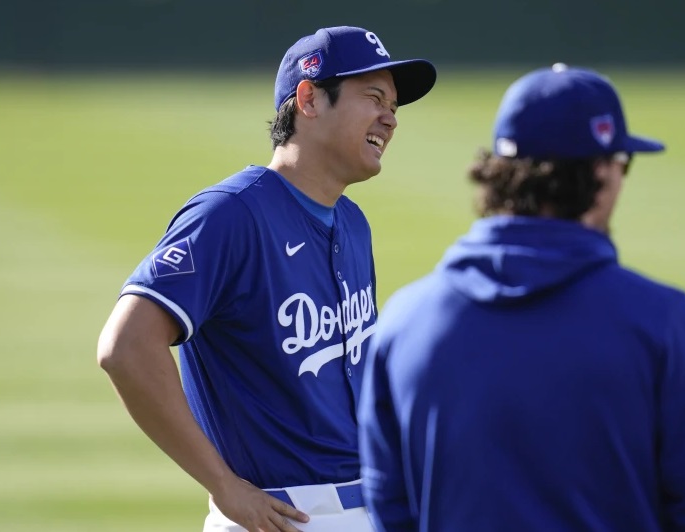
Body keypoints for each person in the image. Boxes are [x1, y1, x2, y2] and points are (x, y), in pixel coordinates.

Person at [357, 64, 685, 531]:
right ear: (602, 172)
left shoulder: (404, 321)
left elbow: (389, 506)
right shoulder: (663, 321)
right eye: (624, 163)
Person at [97, 26, 436, 532]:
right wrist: (223, 485)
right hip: (280, 516)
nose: (390, 118)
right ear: (309, 98)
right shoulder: (229, 215)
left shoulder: (352, 222)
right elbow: (125, 347)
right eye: (373, 97)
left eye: (393, 105)